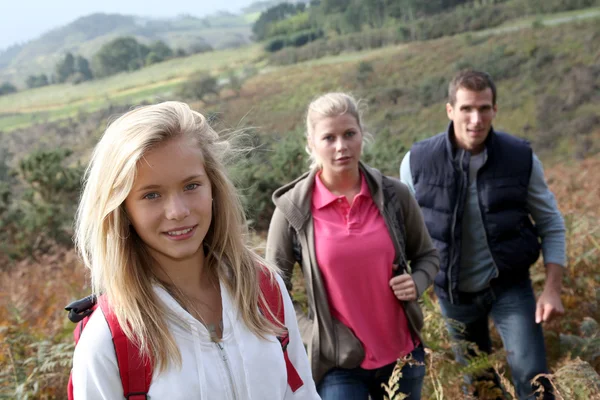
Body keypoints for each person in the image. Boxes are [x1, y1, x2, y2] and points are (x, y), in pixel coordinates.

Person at [70, 101, 319, 399]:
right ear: (122, 210)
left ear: (213, 187)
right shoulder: (109, 340)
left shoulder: (264, 290)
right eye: (151, 195)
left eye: (191, 186)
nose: (177, 211)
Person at [400, 70, 566, 399]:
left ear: (495, 110)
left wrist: (552, 290)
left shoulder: (520, 157)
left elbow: (551, 223)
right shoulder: (418, 162)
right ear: (450, 110)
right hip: (454, 293)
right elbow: (400, 233)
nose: (476, 119)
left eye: (484, 108)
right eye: (466, 109)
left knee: (534, 379)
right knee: (479, 385)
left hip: (509, 287)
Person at [266, 92, 439, 400]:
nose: (341, 146)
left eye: (349, 134)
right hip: (338, 365)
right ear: (311, 143)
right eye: (329, 137)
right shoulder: (293, 210)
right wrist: (312, 335)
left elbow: (427, 256)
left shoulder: (395, 196)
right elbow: (270, 292)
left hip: (404, 356)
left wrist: (417, 282)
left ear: (362, 134)